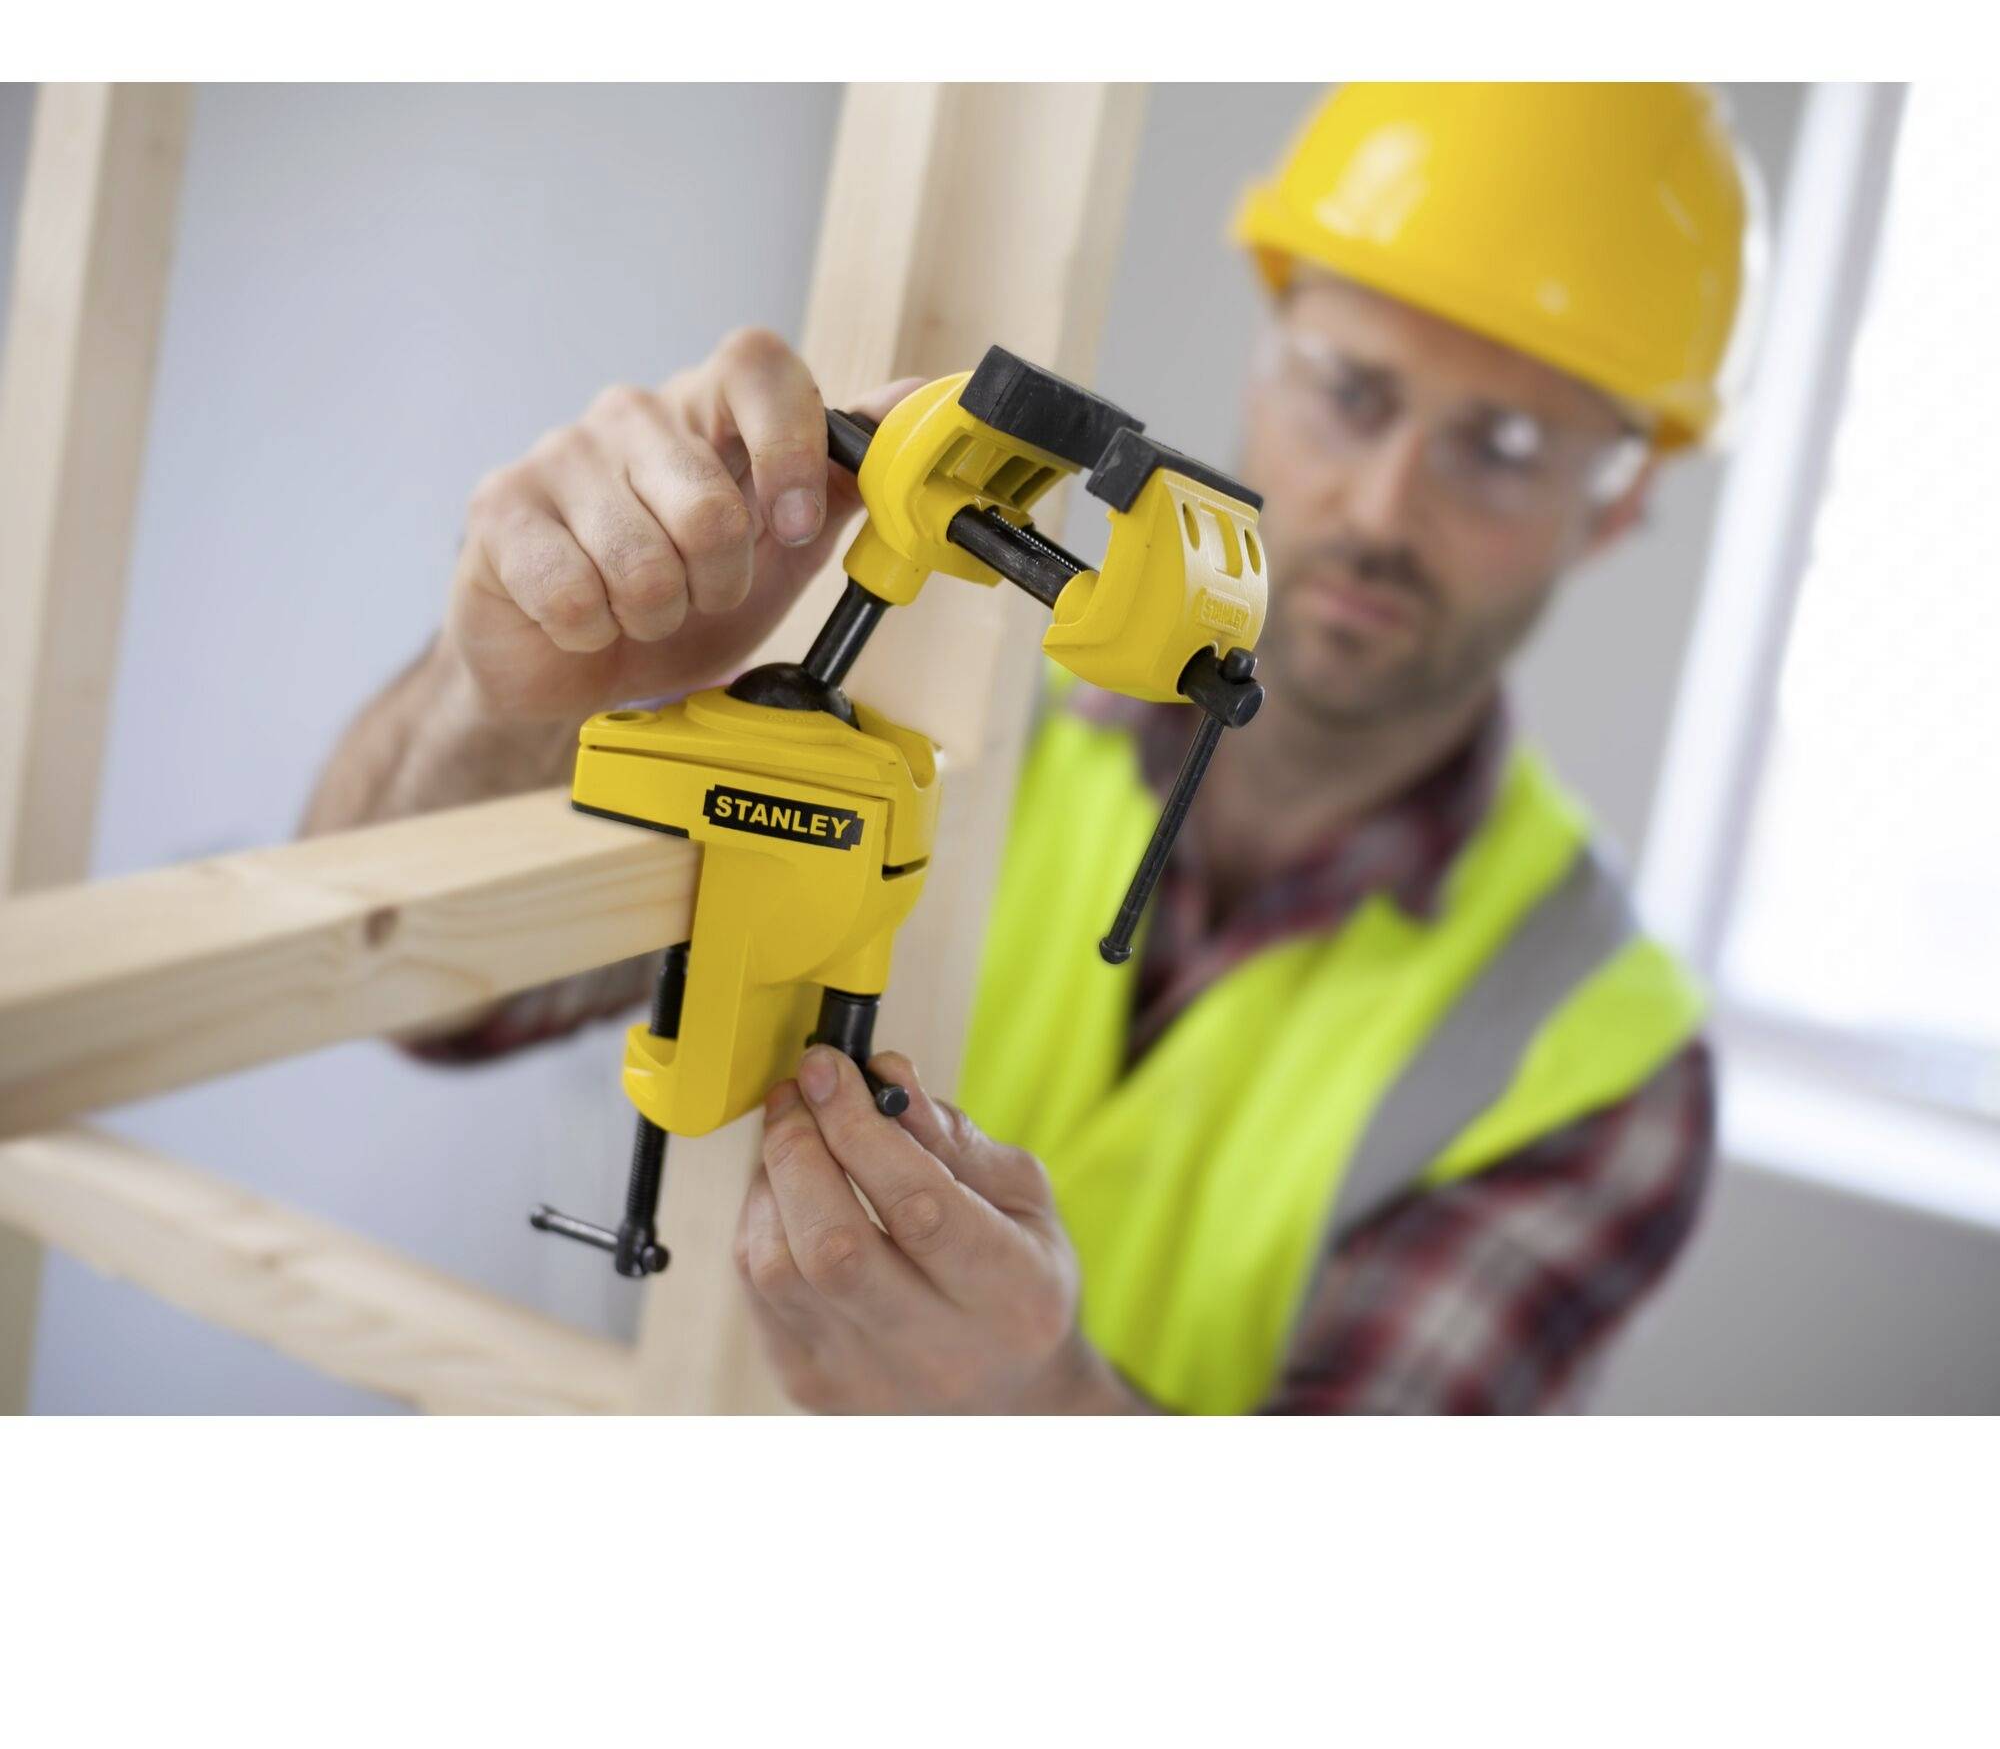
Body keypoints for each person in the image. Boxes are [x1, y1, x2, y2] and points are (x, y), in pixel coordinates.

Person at [305, 83, 1754, 1414]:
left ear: (1616, 507)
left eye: (1501, 447)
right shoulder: (951, 728)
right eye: (1353, 393)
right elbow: (427, 1000)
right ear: (1266, 367)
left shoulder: (1598, 1059)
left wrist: (1044, 1418)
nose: (1382, 506)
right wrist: (508, 691)